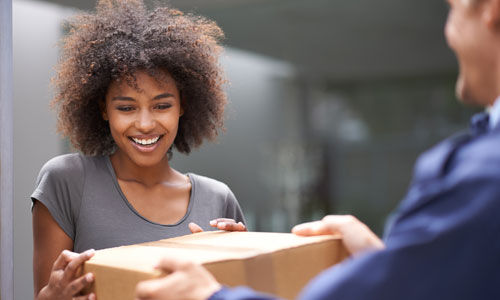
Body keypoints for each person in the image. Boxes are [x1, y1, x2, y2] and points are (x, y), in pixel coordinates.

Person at [134, 0, 500, 299]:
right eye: (127, 107)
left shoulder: (484, 173)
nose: (146, 123)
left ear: (491, 10)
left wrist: (210, 296)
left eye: (453, 7)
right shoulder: (76, 182)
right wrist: (388, 263)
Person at [31, 1, 247, 299]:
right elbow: (45, 293)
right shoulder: (67, 181)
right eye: (126, 107)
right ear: (103, 109)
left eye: (162, 105)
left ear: (183, 106)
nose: (145, 124)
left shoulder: (217, 199)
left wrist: (247, 261)